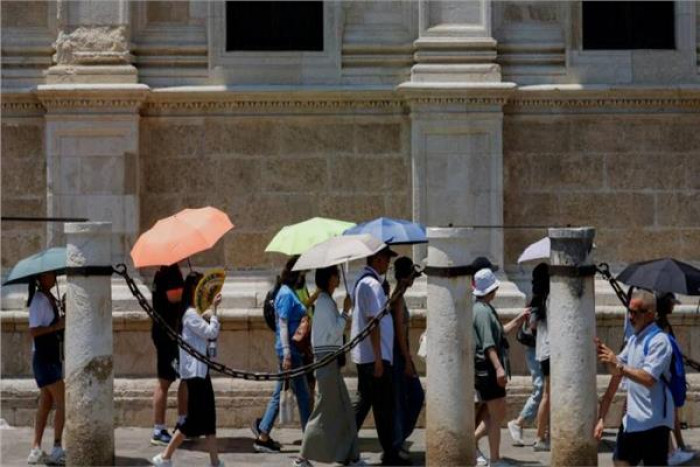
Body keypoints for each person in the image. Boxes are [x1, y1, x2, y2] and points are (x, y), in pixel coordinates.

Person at [595, 290, 674, 466]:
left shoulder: (659, 341)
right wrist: (605, 355)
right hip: (632, 420)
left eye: (635, 312)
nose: (630, 317)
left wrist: (618, 365)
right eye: (629, 311)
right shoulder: (633, 340)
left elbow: (648, 378)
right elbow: (616, 371)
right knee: (620, 461)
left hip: (654, 422)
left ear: (650, 314)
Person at [294, 265, 363, 467]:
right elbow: (334, 332)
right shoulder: (325, 303)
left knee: (344, 409)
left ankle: (350, 456)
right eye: (336, 275)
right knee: (323, 410)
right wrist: (346, 312)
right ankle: (302, 458)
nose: (338, 278)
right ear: (329, 279)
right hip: (326, 362)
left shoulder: (326, 301)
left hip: (330, 361)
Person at [152, 272, 223, 467]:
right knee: (193, 421)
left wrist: (210, 313)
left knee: (209, 417)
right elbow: (211, 332)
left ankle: (215, 461)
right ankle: (165, 457)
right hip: (195, 374)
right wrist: (214, 311)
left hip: (201, 372)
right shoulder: (190, 314)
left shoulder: (194, 313)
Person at [352, 246, 407, 466]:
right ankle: (389, 454)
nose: (388, 264)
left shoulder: (366, 283)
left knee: (371, 404)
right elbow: (373, 323)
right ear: (377, 259)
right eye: (386, 259)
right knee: (382, 408)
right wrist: (378, 359)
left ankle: (346, 445)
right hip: (375, 357)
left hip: (370, 356)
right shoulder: (371, 285)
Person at [252, 256, 311, 453]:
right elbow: (283, 323)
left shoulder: (288, 292)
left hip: (289, 350)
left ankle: (263, 435)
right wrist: (286, 353)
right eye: (303, 273)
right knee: (303, 395)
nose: (304, 277)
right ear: (296, 273)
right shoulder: (286, 294)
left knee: (280, 394)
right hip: (290, 351)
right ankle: (310, 438)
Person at [472, 268, 529, 466]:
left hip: (487, 368)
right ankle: (494, 458)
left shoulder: (483, 309)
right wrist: (498, 368)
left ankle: (476, 445)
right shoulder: (482, 312)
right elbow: (488, 344)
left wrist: (518, 320)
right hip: (488, 369)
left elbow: (499, 332)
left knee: (494, 413)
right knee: (496, 416)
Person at [26, 271, 66, 465]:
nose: (54, 276)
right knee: (63, 402)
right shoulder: (38, 301)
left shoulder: (49, 298)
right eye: (49, 274)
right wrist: (56, 327)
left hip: (51, 356)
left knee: (46, 402)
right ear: (41, 278)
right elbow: (34, 331)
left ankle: (36, 447)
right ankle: (57, 448)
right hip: (44, 358)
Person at [506, 265, 545, 447]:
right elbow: (534, 325)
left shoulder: (540, 298)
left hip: (539, 349)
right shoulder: (538, 301)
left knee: (545, 389)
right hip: (536, 349)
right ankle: (519, 422)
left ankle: (542, 430)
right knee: (541, 388)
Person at [150, 264, 188, 446]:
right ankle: (158, 429)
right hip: (167, 335)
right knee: (165, 381)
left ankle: (183, 422)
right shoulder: (170, 272)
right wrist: (192, 288)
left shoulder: (165, 272)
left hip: (170, 333)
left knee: (185, 378)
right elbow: (174, 296)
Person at [390, 257, 425, 458]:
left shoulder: (399, 297)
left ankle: (399, 440)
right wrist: (407, 360)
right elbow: (399, 333)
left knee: (408, 398)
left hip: (402, 355)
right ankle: (397, 442)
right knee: (409, 398)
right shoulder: (397, 300)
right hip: (399, 356)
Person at [656, 293, 694, 466]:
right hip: (664, 378)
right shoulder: (659, 326)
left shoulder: (664, 324)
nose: (674, 306)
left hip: (667, 377)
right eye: (671, 303)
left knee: (670, 413)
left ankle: (677, 447)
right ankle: (670, 452)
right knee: (665, 415)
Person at [530, 263, 551, 452]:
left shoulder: (537, 300)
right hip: (553, 351)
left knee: (548, 394)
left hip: (543, 350)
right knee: (548, 395)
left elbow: (533, 326)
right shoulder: (552, 298)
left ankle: (545, 435)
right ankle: (540, 437)